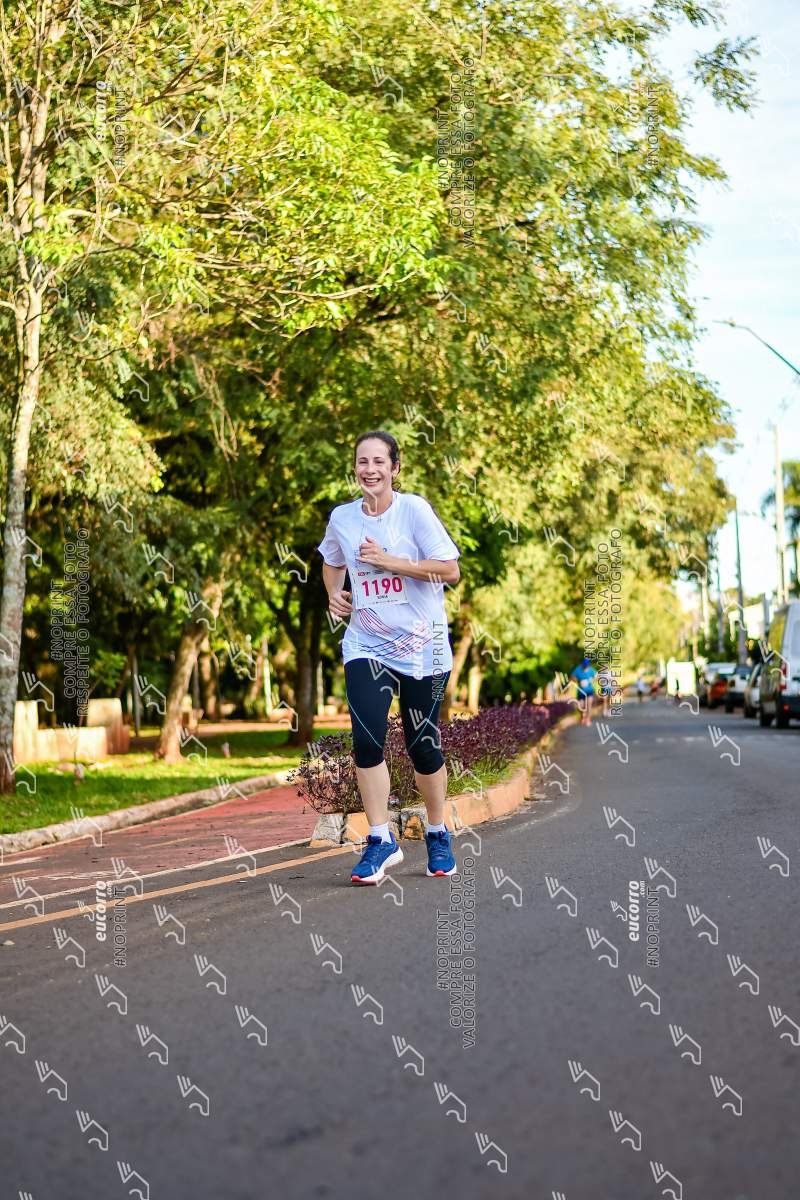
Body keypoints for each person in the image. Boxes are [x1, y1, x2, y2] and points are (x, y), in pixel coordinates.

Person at [317, 430, 462, 885]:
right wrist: (334, 592)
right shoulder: (343, 518)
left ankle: (436, 831)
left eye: (379, 461)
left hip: (423, 647)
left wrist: (389, 561)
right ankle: (380, 839)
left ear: (395, 468)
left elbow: (450, 570)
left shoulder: (413, 510)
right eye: (363, 461)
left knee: (423, 746)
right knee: (366, 740)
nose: (370, 469)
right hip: (367, 643)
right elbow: (331, 560)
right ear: (354, 468)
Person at [570, 656, 597, 726]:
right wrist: (578, 680)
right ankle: (582, 716)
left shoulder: (591, 669)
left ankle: (588, 719)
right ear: (582, 664)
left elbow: (596, 677)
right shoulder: (578, 669)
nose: (586, 667)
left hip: (589, 691)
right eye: (584, 666)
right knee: (581, 705)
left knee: (589, 704)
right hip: (581, 692)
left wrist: (590, 680)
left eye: (587, 666)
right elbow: (572, 677)